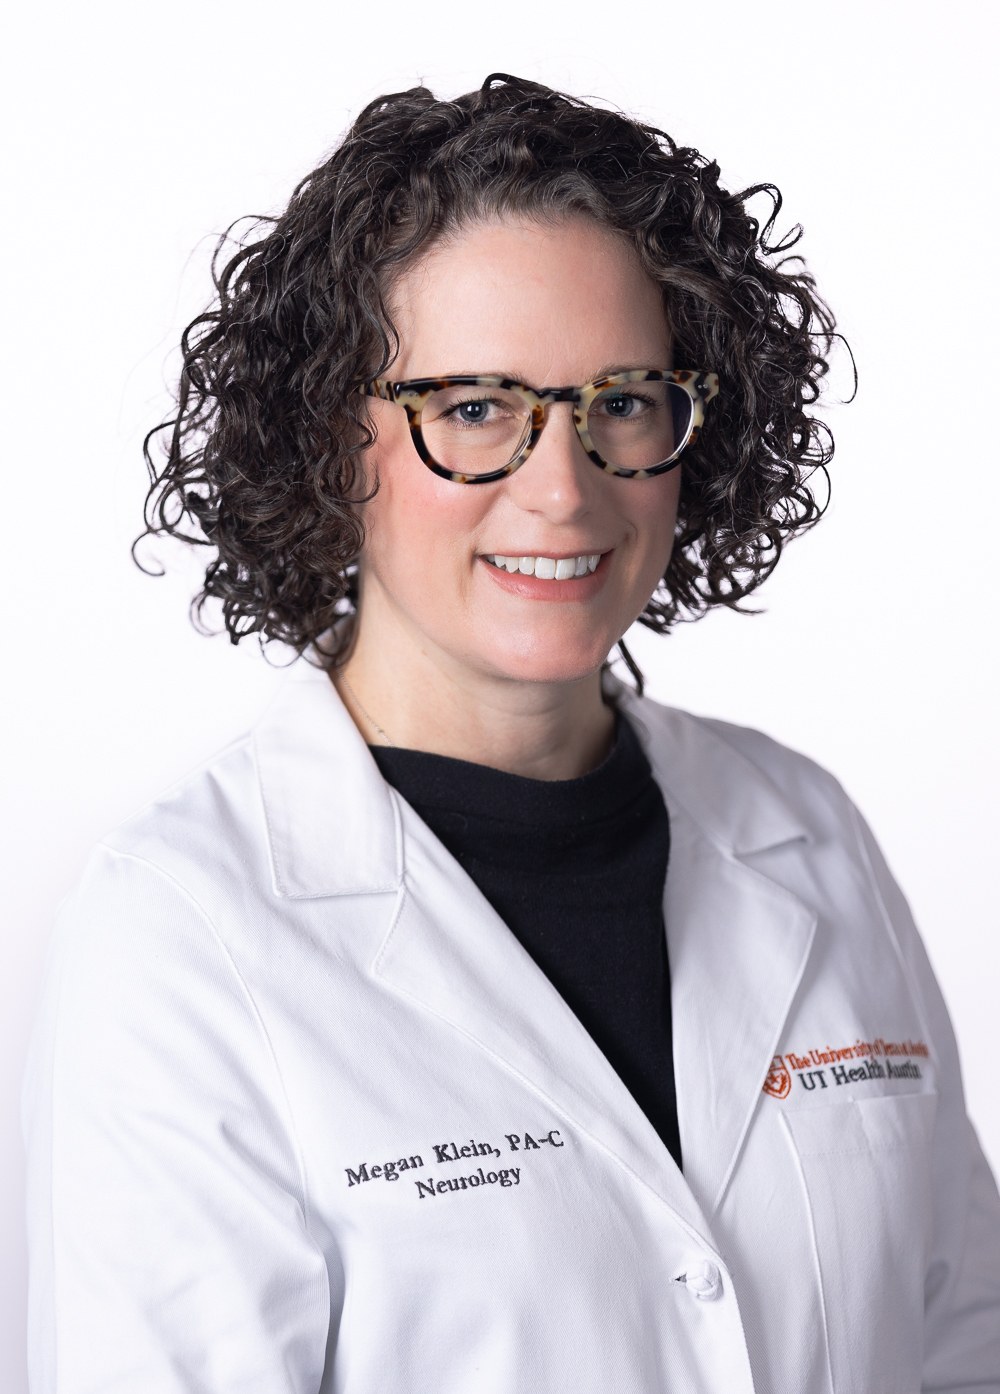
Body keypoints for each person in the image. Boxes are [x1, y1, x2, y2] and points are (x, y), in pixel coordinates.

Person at [23, 74, 1000, 1394]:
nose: (562, 487)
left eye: (623, 401)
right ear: (329, 438)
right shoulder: (178, 939)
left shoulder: (804, 827)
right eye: (475, 408)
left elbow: (959, 1339)